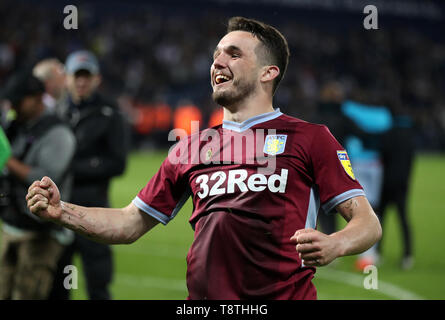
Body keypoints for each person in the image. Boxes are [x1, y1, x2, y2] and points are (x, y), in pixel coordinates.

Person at [26, 17, 381, 300]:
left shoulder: (311, 138)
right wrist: (63, 212)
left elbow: (367, 223)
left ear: (268, 72)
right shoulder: (189, 147)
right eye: (216, 55)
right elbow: (129, 223)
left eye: (233, 54)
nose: (217, 62)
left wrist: (335, 243)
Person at [0, 72, 76, 299]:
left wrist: (6, 160)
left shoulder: (58, 133)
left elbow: (47, 177)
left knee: (29, 295)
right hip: (11, 225)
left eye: (17, 100)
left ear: (36, 98)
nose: (12, 106)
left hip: (41, 232)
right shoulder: (18, 124)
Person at [377, 107, 416, 270]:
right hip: (402, 184)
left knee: (380, 219)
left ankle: (377, 253)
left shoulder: (387, 134)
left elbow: (382, 157)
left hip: (386, 183)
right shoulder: (410, 138)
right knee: (403, 219)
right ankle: (408, 255)